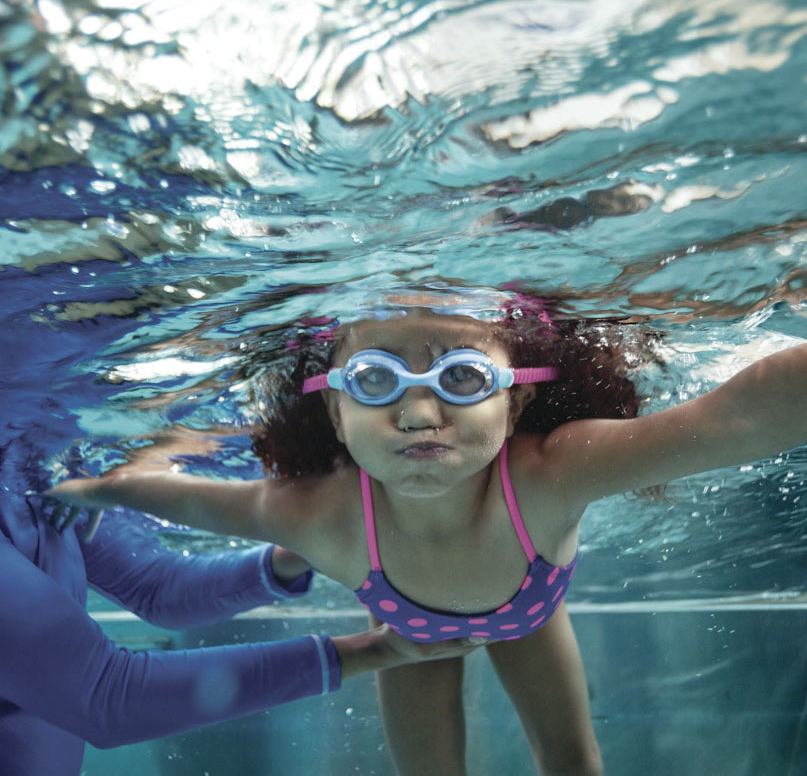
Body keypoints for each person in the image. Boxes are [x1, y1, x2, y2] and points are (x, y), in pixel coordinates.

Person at [48, 286, 807, 776]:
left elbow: (727, 418)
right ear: (335, 414)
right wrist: (100, 488)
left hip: (527, 613)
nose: (417, 413)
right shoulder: (324, 513)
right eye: (375, 381)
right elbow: (206, 502)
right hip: (406, 633)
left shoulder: (547, 475)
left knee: (573, 762)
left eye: (462, 378)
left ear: (512, 406)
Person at [0, 435, 478, 776]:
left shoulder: (26, 462)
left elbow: (156, 587)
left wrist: (311, 547)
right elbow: (107, 698)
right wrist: (372, 651)